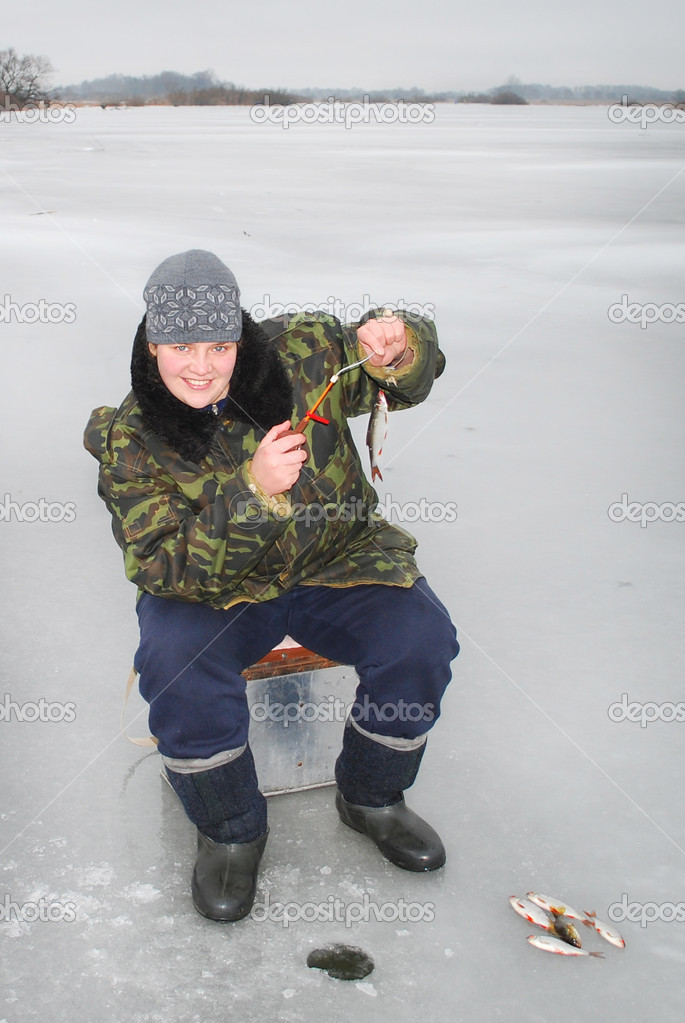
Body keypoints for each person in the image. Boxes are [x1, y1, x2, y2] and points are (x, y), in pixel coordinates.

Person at [84, 249, 459, 922]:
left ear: (240, 336)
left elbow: (405, 381)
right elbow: (166, 567)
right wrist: (253, 492)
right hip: (218, 590)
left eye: (219, 345)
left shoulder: (304, 352)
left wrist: (399, 346)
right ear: (152, 343)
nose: (201, 366)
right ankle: (230, 830)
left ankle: (372, 796)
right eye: (180, 346)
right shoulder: (130, 439)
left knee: (420, 639)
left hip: (336, 560)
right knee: (176, 666)